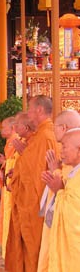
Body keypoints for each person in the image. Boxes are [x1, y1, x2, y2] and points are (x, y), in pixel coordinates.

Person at [5, 95, 58, 272]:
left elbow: (40, 173)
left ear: (39, 110)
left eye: (30, 109)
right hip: (29, 201)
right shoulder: (38, 136)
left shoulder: (46, 136)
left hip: (35, 204)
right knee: (27, 246)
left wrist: (24, 156)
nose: (28, 113)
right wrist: (18, 169)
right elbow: (32, 165)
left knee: (34, 246)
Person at [37, 110, 80, 272]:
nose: (61, 151)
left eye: (64, 147)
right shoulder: (72, 168)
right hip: (63, 238)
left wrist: (57, 190)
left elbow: (75, 214)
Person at [0, 116, 19, 258]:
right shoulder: (10, 142)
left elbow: (14, 163)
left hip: (12, 184)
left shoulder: (14, 142)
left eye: (4, 128)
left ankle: (8, 244)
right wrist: (5, 162)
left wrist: (4, 163)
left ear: (13, 128)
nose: (1, 130)